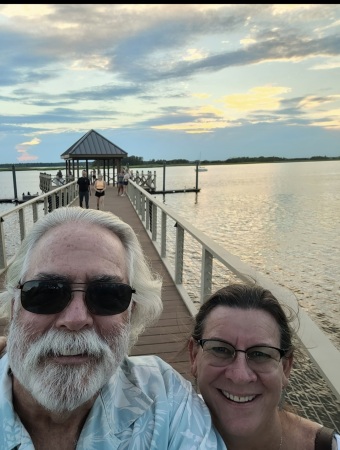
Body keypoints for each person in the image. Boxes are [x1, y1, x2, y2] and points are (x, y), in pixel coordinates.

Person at [0, 207, 226, 449]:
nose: (76, 319)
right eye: (45, 292)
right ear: (14, 307)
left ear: (132, 313)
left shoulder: (165, 398)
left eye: (107, 295)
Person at [188, 283, 340, 450]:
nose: (240, 376)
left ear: (285, 367)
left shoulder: (329, 446)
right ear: (194, 356)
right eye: (220, 349)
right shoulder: (165, 425)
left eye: (260, 354)